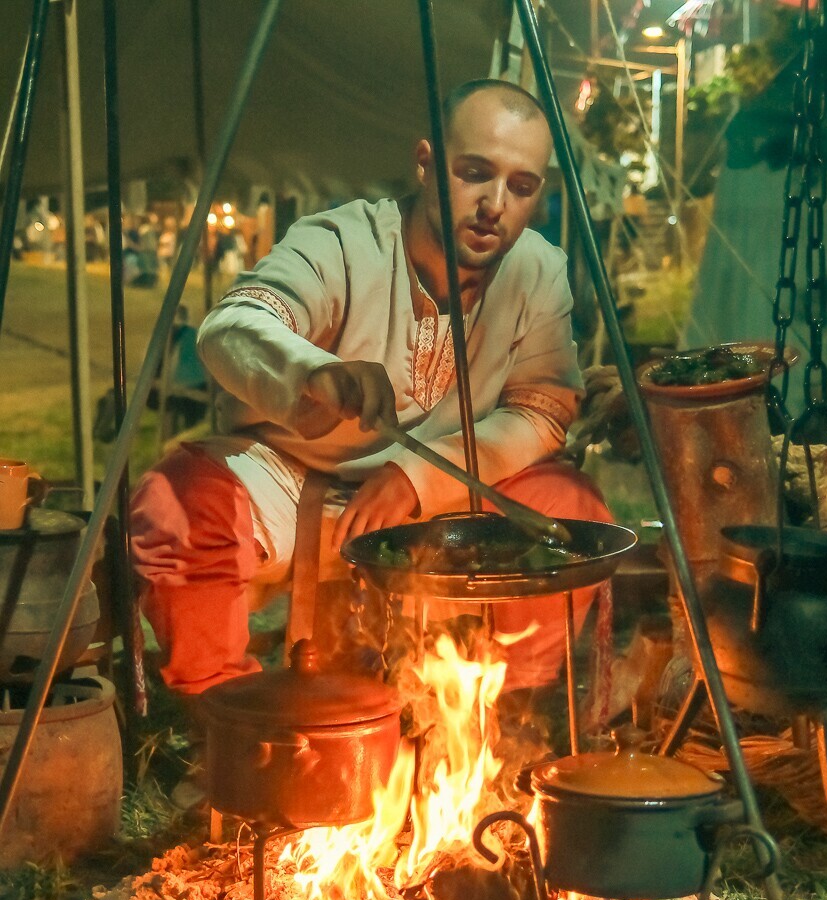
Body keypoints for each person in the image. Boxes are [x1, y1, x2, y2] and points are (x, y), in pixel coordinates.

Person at [130, 80, 613, 696]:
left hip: (440, 501)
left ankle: (501, 708)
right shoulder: (342, 242)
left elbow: (541, 411)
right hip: (296, 485)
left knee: (567, 505)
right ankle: (228, 712)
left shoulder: (537, 271)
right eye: (474, 173)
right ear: (425, 162)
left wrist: (415, 478)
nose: (495, 204)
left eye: (521, 186)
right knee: (176, 504)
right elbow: (233, 326)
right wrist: (312, 371)